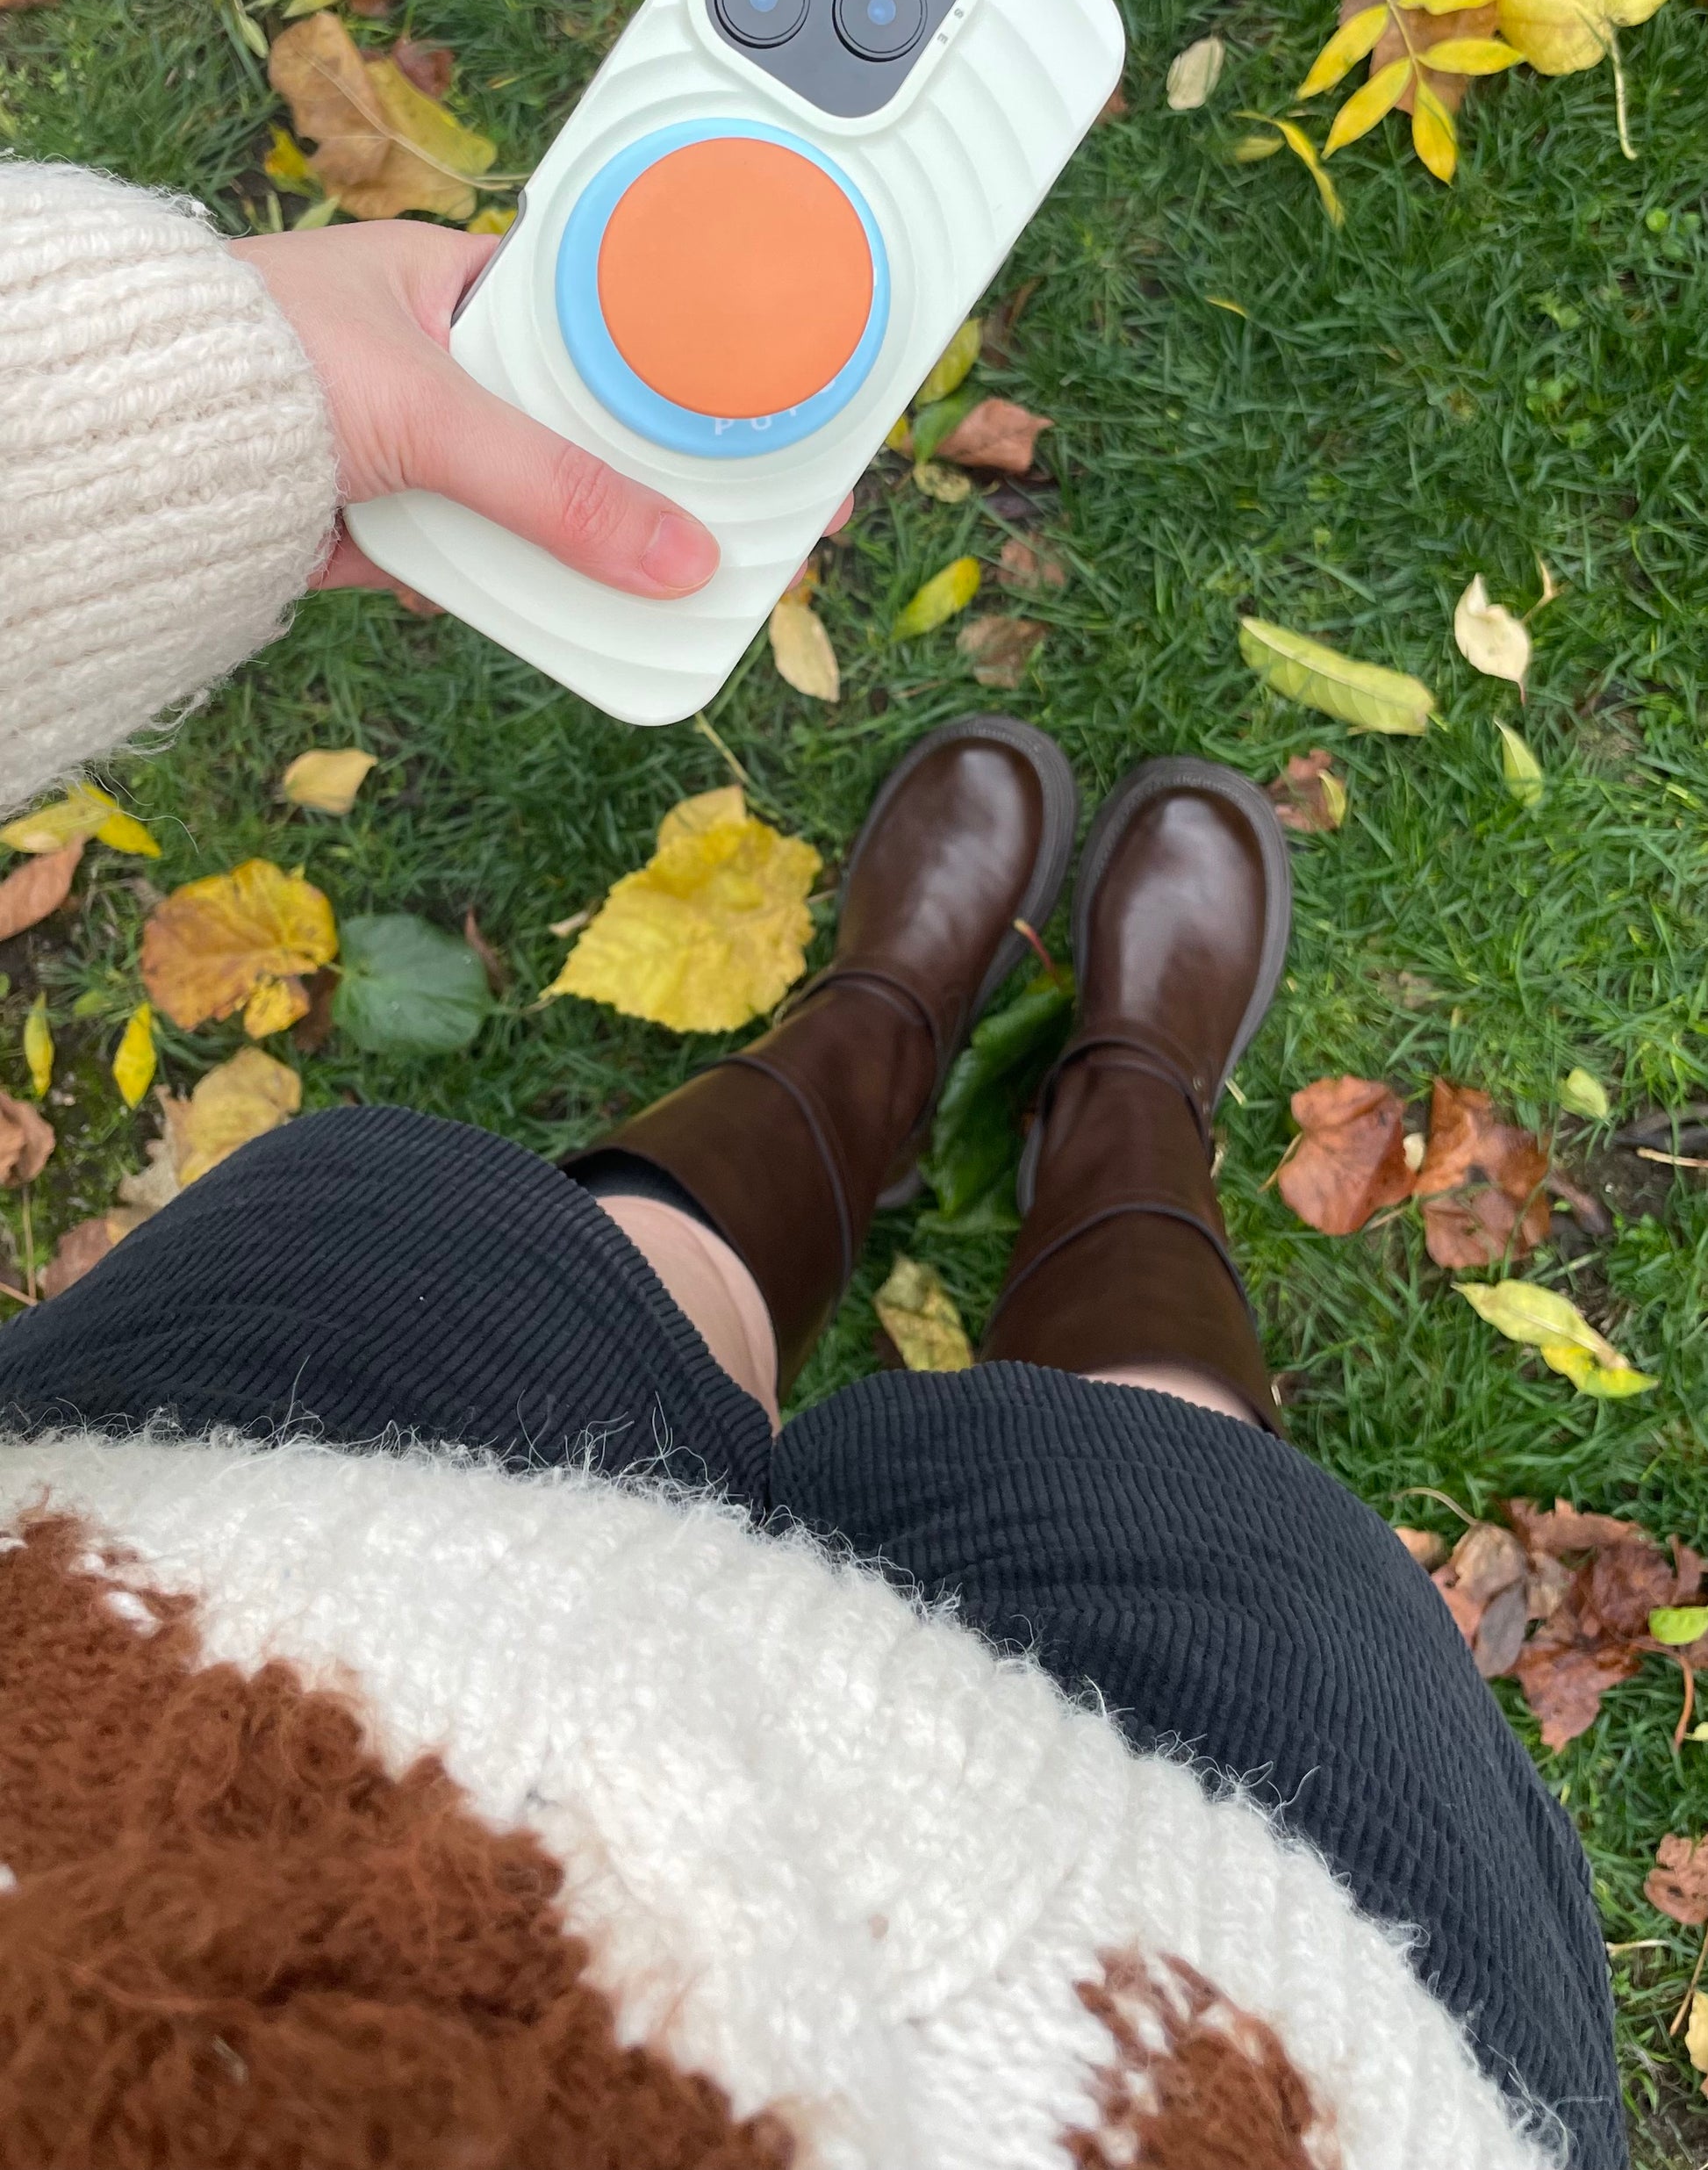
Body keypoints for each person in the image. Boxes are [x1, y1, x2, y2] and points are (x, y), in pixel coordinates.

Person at [0, 159, 1622, 2169]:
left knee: (500, 1264)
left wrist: (136, 410)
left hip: (130, 1606)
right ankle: (1124, 1106)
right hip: (1192, 2038)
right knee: (1187, 1512)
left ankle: (872, 1034)